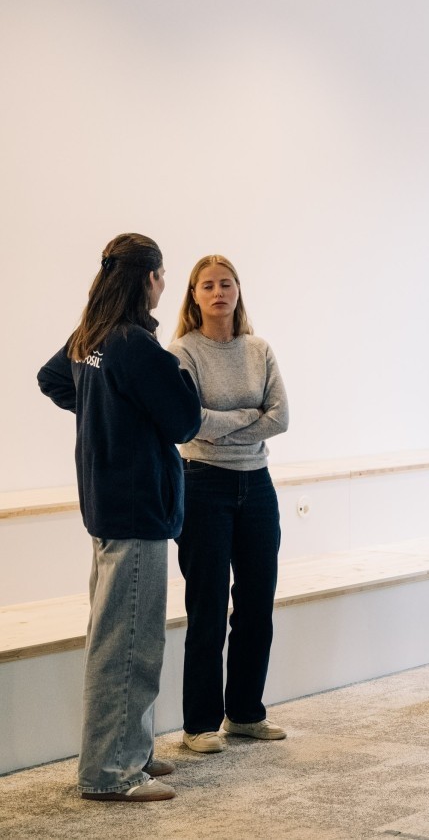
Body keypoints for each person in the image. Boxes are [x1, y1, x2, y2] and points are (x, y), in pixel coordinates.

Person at [36, 233, 201, 802]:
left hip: (108, 505)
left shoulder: (91, 337)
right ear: (149, 278)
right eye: (162, 275)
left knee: (118, 635)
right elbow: (184, 421)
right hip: (137, 510)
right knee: (129, 643)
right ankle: (109, 772)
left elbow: (52, 379)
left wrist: (104, 410)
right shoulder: (134, 344)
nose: (164, 285)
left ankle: (132, 749)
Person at [169, 255, 290, 752]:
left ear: (239, 290)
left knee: (257, 606)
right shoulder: (183, 352)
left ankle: (244, 713)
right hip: (202, 484)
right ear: (194, 295)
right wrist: (247, 415)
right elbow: (188, 422)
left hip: (257, 485)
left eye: (226, 283)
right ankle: (199, 724)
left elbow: (280, 417)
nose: (218, 292)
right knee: (209, 607)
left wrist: (224, 422)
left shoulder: (259, 349)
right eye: (207, 285)